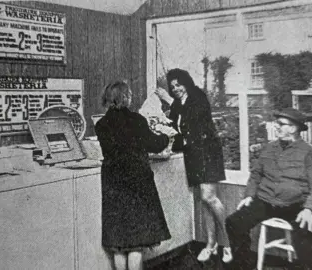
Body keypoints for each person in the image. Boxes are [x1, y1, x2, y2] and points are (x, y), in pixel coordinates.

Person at [225, 108, 312, 270]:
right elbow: (256, 174)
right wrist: (249, 195)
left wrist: (310, 209)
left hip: (295, 205)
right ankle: (244, 264)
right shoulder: (269, 148)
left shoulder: (309, 153)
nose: (276, 127)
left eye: (281, 124)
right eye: (276, 123)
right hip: (266, 202)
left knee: (304, 236)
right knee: (234, 222)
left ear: (293, 128)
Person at [155, 68, 232, 263]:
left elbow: (195, 119)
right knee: (204, 200)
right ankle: (211, 243)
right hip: (193, 156)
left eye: (178, 84)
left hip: (208, 153)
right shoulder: (177, 104)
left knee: (209, 197)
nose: (176, 89)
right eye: (172, 87)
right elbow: (175, 127)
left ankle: (229, 243)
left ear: (186, 82)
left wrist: (170, 101)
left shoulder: (198, 96)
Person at [95, 81, 172, 270]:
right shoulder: (137, 120)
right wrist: (166, 136)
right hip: (138, 184)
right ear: (126, 97)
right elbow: (154, 144)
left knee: (119, 244)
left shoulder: (101, 124)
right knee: (136, 243)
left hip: (113, 185)